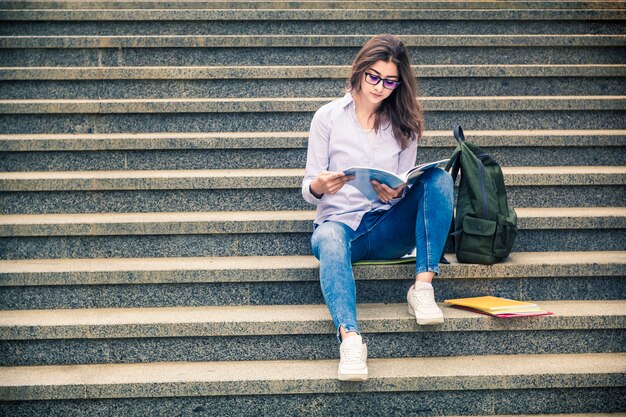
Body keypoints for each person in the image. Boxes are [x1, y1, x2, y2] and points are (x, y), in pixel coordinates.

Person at [301, 34, 454, 381]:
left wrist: (395, 192)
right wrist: (320, 186)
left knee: (439, 179)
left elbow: (405, 180)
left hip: (386, 227)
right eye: (374, 76)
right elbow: (309, 187)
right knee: (328, 239)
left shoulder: (404, 123)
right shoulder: (328, 117)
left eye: (390, 81)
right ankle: (351, 340)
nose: (380, 87)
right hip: (340, 228)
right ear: (360, 71)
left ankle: (422, 287)